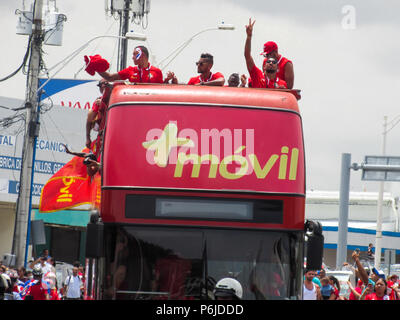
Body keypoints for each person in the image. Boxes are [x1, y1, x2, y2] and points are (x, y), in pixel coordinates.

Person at [244, 18, 287, 89]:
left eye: (274, 62)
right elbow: (247, 56)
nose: (271, 63)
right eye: (268, 61)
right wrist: (249, 37)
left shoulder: (282, 84)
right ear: (264, 66)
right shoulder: (257, 75)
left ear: (277, 67)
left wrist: (283, 91)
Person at [85, 46, 163, 84]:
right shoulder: (130, 70)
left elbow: (162, 90)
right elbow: (110, 77)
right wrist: (96, 67)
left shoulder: (157, 72)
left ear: (143, 55)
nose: (132, 57)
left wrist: (172, 80)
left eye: (135, 54)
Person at [86, 79, 111, 149]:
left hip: (112, 134)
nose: (102, 88)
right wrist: (88, 138)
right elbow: (89, 119)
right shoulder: (98, 101)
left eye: (104, 86)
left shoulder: (115, 98)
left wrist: (103, 104)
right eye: (101, 86)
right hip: (102, 135)